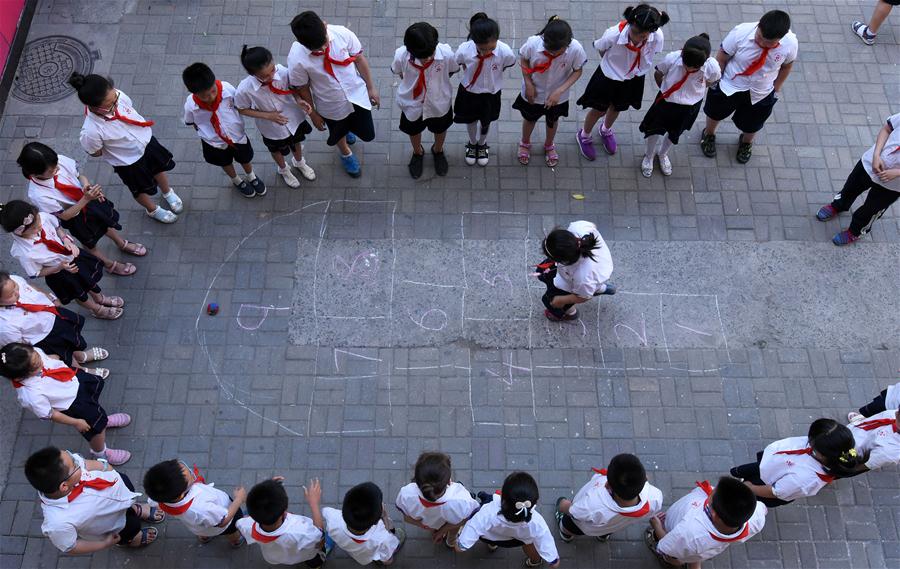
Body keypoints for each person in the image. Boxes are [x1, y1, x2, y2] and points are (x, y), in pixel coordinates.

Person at [70, 72, 181, 223]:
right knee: (139, 188)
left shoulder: (118, 96)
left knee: (158, 168)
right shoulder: (91, 131)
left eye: (114, 96)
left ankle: (168, 192)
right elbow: (95, 151)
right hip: (128, 162)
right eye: (110, 104)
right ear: (95, 107)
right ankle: (152, 209)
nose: (116, 102)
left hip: (146, 141)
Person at [19, 142, 143, 275]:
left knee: (104, 225)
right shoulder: (38, 194)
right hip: (76, 217)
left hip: (88, 200)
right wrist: (86, 199)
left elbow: (79, 176)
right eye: (51, 171)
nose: (57, 169)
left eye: (56, 165)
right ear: (33, 174)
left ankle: (120, 243)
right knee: (90, 243)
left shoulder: (59, 161)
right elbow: (64, 215)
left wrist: (86, 186)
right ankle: (109, 264)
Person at [1, 343, 130, 464]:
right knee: (95, 430)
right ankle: (101, 452)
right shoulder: (30, 396)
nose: (40, 360)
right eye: (35, 365)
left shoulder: (33, 354)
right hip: (74, 405)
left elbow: (50, 358)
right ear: (19, 377)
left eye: (37, 355)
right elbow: (52, 414)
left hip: (73, 381)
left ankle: (103, 420)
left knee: (96, 410)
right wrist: (76, 422)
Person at [288, 11, 379, 178]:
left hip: (356, 96)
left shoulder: (342, 33)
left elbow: (358, 59)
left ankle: (349, 129)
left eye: (324, 43)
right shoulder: (296, 59)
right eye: (317, 48)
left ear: (324, 24)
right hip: (330, 104)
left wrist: (371, 87)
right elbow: (303, 88)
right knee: (338, 131)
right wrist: (313, 114)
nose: (323, 49)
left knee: (367, 134)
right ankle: (345, 153)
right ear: (301, 43)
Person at [700, 10, 798, 164]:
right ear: (759, 25)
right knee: (715, 112)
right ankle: (709, 134)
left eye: (769, 43)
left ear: (781, 37)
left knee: (753, 123)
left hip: (761, 92)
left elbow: (787, 66)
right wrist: (715, 81)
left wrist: (776, 88)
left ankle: (746, 143)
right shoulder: (741, 33)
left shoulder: (790, 43)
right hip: (730, 85)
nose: (762, 44)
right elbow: (722, 57)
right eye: (760, 37)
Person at [25, 446, 163, 553]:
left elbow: (85, 463)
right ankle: (129, 540)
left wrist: (106, 467)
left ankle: (133, 507)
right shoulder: (58, 522)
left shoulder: (70, 471)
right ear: (64, 486)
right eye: (74, 464)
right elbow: (71, 547)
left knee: (129, 496)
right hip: (115, 525)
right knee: (132, 527)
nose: (77, 459)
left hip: (118, 488)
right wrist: (104, 544)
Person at [0, 202, 123, 320]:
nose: (39, 224)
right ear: (21, 232)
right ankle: (96, 309)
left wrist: (66, 240)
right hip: (60, 273)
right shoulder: (23, 252)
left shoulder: (43, 218)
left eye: (38, 219)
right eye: (33, 227)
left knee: (89, 280)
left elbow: (57, 228)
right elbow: (36, 273)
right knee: (79, 294)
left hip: (72, 256)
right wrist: (60, 267)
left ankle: (99, 298)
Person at [576, 4, 669, 159]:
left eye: (643, 35)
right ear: (630, 23)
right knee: (598, 109)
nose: (637, 37)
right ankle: (584, 135)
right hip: (609, 77)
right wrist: (613, 67)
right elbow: (601, 48)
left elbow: (655, 51)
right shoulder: (613, 34)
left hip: (633, 78)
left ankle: (605, 130)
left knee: (617, 107)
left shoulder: (657, 36)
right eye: (635, 32)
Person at [638, 34, 721, 177]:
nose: (688, 68)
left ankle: (663, 154)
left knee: (675, 132)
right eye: (686, 64)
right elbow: (659, 73)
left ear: (705, 61)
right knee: (654, 129)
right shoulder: (673, 58)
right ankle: (649, 155)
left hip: (689, 107)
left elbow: (713, 80)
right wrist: (665, 91)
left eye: (693, 67)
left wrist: (696, 91)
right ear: (682, 53)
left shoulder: (711, 66)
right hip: (666, 102)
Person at [234, 45, 317, 188]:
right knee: (276, 150)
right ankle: (284, 169)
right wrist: (268, 116)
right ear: (253, 74)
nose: (271, 76)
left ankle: (299, 162)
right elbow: (242, 109)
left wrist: (299, 100)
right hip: (271, 129)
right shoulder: (245, 89)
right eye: (265, 76)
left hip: (293, 119)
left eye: (272, 70)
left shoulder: (283, 72)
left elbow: (293, 89)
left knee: (296, 141)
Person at [730, 418, 862, 507]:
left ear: (822, 454)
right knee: (740, 472)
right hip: (772, 465)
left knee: (740, 498)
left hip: (765, 484)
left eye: (811, 441)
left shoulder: (804, 480)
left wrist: (750, 488)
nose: (808, 440)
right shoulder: (828, 447)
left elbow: (774, 492)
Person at [815, 112, 900, 245]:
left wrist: (897, 173)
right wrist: (876, 154)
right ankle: (839, 205)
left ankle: (856, 231)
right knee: (851, 187)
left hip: (893, 185)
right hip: (870, 163)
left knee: (871, 209)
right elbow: (887, 129)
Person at [183, 62, 265, 198]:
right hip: (213, 142)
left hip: (237, 136)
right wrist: (206, 135)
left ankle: (251, 176)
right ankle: (236, 180)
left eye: (213, 91)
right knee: (225, 162)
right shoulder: (191, 105)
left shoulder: (227, 89)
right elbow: (192, 122)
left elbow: (239, 105)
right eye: (205, 96)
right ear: (193, 93)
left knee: (245, 158)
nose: (211, 97)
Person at [513, 16, 586, 168]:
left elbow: (578, 71)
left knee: (552, 120)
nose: (552, 54)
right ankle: (525, 142)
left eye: (557, 51)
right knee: (529, 119)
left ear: (567, 44)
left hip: (557, 97)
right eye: (549, 50)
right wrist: (528, 83)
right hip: (533, 93)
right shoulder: (533, 43)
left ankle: (549, 145)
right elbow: (524, 59)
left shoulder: (576, 49)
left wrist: (559, 91)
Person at [645, 477, 766, 567]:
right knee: (694, 553)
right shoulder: (757, 517)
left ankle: (673, 564)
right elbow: (763, 509)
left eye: (713, 493)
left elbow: (668, 546)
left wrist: (657, 527)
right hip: (701, 548)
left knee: (675, 557)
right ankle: (694, 563)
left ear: (714, 513)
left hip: (680, 543)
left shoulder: (688, 533)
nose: (711, 489)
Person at [391, 22, 458, 179]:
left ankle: (438, 150)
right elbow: (399, 71)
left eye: (430, 54)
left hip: (439, 103)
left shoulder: (446, 54)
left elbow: (452, 70)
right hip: (412, 104)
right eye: (423, 56)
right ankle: (417, 152)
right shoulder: (401, 55)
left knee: (440, 129)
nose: (428, 58)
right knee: (413, 130)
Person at [0, 271, 105, 367]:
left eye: (15, 286)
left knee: (71, 341)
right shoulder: (5, 325)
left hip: (53, 315)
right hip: (44, 337)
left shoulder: (13, 279)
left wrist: (50, 297)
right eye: (11, 295)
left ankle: (78, 356)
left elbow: (31, 287)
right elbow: (19, 346)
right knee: (63, 355)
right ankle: (79, 369)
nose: (17, 292)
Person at [456, 471, 559, 568]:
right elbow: (554, 561)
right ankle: (534, 562)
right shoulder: (537, 523)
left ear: (503, 498)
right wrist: (553, 561)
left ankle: (492, 545)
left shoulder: (487, 512)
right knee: (530, 543)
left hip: (490, 536)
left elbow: (460, 547)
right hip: (518, 541)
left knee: (487, 531)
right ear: (534, 501)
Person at [454, 12, 517, 166]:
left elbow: (507, 65)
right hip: (469, 92)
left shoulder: (505, 51)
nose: (486, 52)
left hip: (491, 94)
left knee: (485, 122)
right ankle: (472, 142)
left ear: (497, 39)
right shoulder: (464, 50)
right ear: (474, 41)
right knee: (470, 121)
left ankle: (482, 144)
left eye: (491, 48)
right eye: (482, 49)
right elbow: (460, 63)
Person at [554, 454, 663, 542]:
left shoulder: (591, 505)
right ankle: (603, 536)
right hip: (614, 525)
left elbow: (572, 510)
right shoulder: (655, 497)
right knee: (609, 526)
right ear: (644, 479)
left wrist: (562, 504)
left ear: (607, 485)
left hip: (582, 526)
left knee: (569, 525)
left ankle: (566, 534)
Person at [143, 459, 247, 547]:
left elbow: (152, 503)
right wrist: (238, 499)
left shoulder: (159, 496)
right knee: (231, 529)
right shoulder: (201, 508)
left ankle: (204, 536)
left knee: (203, 527)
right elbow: (223, 521)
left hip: (199, 525)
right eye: (191, 476)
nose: (193, 473)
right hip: (225, 520)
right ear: (181, 495)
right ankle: (236, 540)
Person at [237, 477, 331, 567]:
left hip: (274, 557)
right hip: (304, 554)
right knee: (315, 558)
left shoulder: (245, 524)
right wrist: (314, 504)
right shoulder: (301, 532)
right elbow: (319, 538)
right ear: (285, 509)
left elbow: (242, 523)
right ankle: (315, 565)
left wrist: (268, 488)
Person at [395, 451, 479, 548]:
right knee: (454, 531)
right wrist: (442, 531)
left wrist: (428, 527)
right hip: (449, 524)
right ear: (449, 481)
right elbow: (464, 519)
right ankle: (451, 541)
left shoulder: (406, 494)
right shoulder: (460, 500)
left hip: (429, 524)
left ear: (416, 478)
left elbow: (407, 518)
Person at [536, 220, 615, 322]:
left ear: (562, 261)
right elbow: (592, 225)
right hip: (588, 276)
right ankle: (599, 288)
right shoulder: (578, 228)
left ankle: (571, 313)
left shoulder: (583, 276)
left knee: (550, 300)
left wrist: (561, 300)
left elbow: (584, 297)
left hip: (576, 282)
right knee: (542, 272)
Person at [323, 481, 405, 565]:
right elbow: (387, 542)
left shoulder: (331, 516)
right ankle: (381, 562)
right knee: (388, 559)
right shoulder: (383, 538)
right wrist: (384, 516)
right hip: (371, 553)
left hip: (355, 552)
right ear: (376, 521)